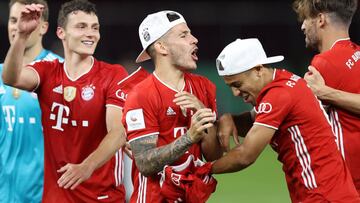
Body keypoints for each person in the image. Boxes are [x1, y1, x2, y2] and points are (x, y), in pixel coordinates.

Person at [2, 0, 128, 202]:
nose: (91, 33)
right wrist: (22, 37)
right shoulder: (48, 70)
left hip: (102, 197)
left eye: (94, 28)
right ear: (61, 33)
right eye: (81, 26)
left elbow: (118, 131)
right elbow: (11, 78)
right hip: (57, 196)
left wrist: (86, 167)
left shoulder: (113, 74)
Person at [212, 38, 360, 202]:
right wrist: (228, 119)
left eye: (238, 84)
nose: (235, 93)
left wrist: (202, 170)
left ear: (258, 70)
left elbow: (245, 156)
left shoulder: (279, 95)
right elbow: (255, 120)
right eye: (230, 87)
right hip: (328, 192)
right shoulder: (281, 82)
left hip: (322, 195)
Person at [122, 10, 222, 203]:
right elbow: (144, 163)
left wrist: (203, 113)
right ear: (161, 46)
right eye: (183, 35)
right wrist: (189, 138)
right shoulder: (141, 95)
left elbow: (213, 154)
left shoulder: (204, 87)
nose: (194, 39)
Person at [293, 0, 360, 194]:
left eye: (306, 18)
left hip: (349, 185)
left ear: (321, 19)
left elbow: (290, 112)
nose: (303, 25)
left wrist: (326, 93)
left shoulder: (324, 63)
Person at [0, 0, 63, 202]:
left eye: (26, 19)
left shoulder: (62, 71)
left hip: (47, 194)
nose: (18, 26)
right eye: (13, 20)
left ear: (43, 27)